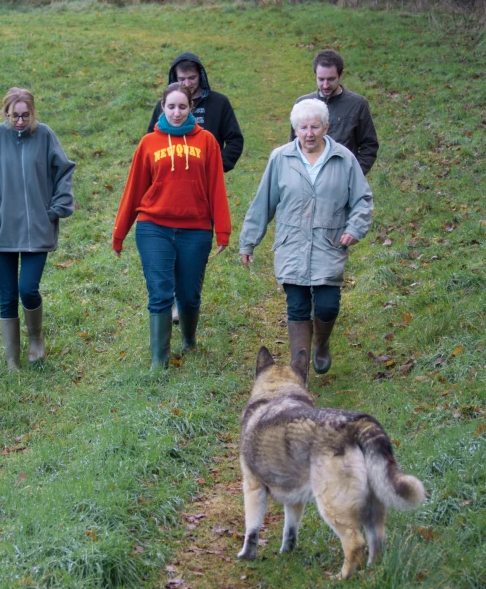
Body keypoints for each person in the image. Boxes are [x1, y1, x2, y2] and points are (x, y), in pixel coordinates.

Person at [241, 99, 373, 382]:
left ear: (326, 127)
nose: (309, 133)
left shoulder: (344, 158)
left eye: (315, 126)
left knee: (327, 305)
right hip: (292, 244)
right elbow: (264, 201)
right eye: (303, 127)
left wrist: (355, 228)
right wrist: (248, 241)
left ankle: (321, 344)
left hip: (330, 242)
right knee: (297, 306)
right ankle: (298, 373)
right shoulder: (280, 158)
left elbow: (362, 199)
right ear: (295, 129)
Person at [114, 83, 231, 369]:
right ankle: (159, 360)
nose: (176, 113)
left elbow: (217, 187)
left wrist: (223, 231)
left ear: (191, 108)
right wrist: (119, 234)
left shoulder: (207, 142)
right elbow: (133, 189)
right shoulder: (148, 143)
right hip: (154, 227)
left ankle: (189, 341)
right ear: (162, 108)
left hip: (196, 229)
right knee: (160, 292)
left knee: (189, 295)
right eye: (171, 107)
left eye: (182, 107)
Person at [0, 87, 75, 371]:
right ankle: (11, 362)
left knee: (28, 289)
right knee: (7, 296)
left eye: (25, 115)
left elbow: (64, 172)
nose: (20, 121)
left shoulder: (44, 136)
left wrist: (54, 210)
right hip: (2, 232)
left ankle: (36, 340)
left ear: (33, 113)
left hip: (36, 232)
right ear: (6, 113)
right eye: (14, 115)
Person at [148, 52, 243, 324]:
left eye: (191, 78)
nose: (187, 83)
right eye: (181, 78)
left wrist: (215, 167)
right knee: (167, 245)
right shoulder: (165, 105)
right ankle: (174, 301)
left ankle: (187, 298)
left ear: (200, 76)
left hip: (202, 190)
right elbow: (149, 140)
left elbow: (235, 140)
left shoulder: (219, 104)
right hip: (168, 188)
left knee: (193, 245)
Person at [289, 49, 379, 176]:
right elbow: (293, 146)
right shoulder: (302, 104)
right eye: (321, 79)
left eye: (331, 79)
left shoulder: (357, 104)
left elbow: (369, 146)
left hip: (343, 180)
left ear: (341, 75)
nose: (325, 85)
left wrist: (354, 175)